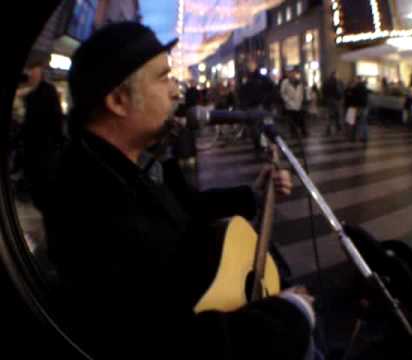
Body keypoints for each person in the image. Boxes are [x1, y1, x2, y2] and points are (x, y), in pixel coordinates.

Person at [44, 22, 317, 360]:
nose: (176, 91)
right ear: (117, 100)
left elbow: (183, 207)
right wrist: (289, 314)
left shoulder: (131, 162)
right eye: (163, 78)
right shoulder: (87, 202)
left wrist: (254, 195)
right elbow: (162, 341)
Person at [19, 52, 64, 211]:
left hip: (44, 145)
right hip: (29, 143)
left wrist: (55, 143)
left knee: (38, 177)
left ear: (41, 70)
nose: (30, 72)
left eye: (34, 69)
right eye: (29, 68)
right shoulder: (28, 92)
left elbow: (56, 120)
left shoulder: (48, 91)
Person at [238, 58, 276, 154]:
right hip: (251, 107)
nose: (250, 66)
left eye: (252, 64)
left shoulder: (262, 78)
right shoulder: (246, 78)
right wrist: (243, 105)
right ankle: (258, 146)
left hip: (262, 107)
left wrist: (266, 102)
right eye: (249, 64)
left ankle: (269, 146)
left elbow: (272, 89)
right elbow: (242, 92)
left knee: (266, 127)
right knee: (255, 129)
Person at [281, 67, 307, 137]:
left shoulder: (298, 82)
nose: (292, 74)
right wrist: (287, 100)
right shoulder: (285, 82)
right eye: (290, 73)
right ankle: (293, 133)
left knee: (300, 118)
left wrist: (301, 100)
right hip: (290, 104)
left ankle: (303, 131)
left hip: (298, 103)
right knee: (292, 119)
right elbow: (282, 93)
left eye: (293, 73)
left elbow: (301, 91)